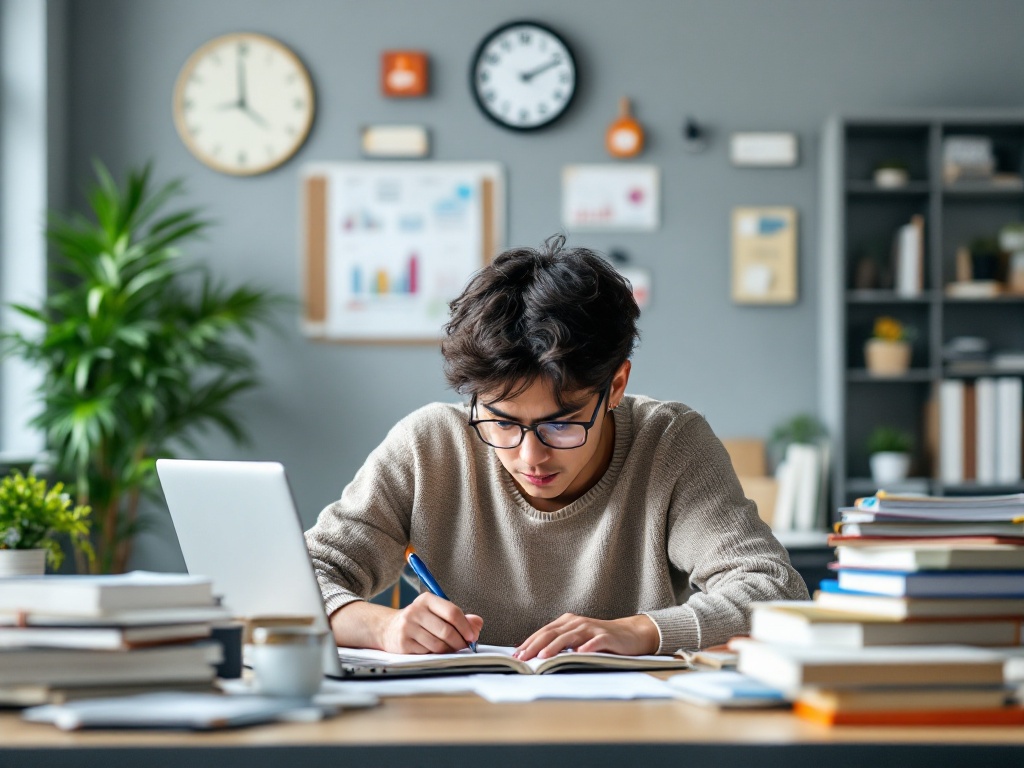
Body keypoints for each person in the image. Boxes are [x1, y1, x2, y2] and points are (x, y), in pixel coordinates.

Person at [305, 235, 809, 660]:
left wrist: (641, 631)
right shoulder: (429, 446)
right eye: (502, 423)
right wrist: (381, 628)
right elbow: (296, 576)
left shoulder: (669, 444)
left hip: (631, 729)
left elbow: (773, 590)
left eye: (561, 425)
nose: (530, 457)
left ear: (615, 386)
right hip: (457, 729)